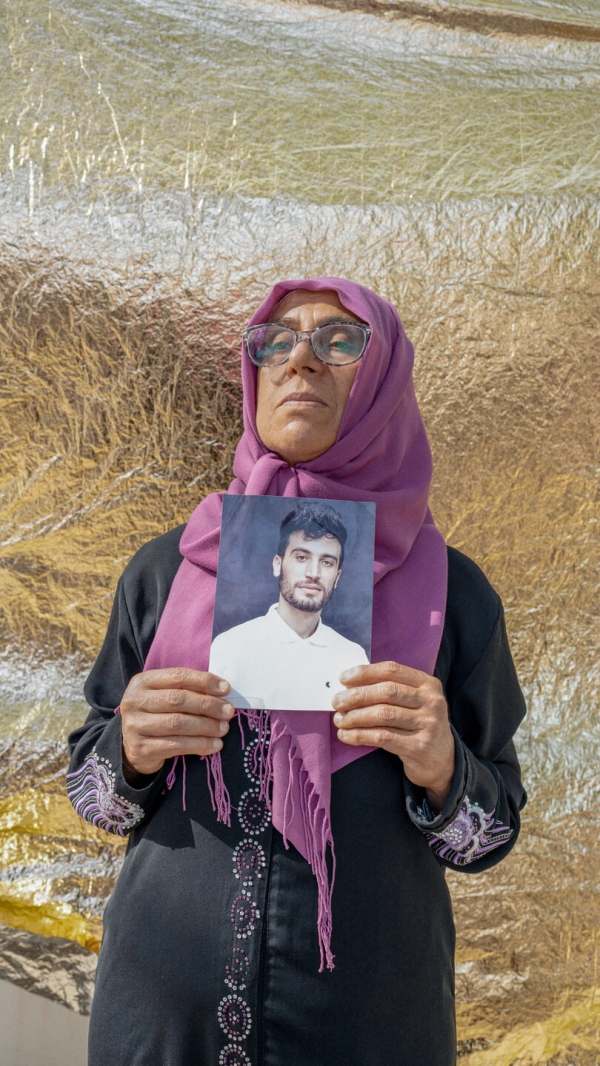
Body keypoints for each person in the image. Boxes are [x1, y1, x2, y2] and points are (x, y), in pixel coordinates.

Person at [67, 277, 526, 1066]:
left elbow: (489, 837)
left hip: (367, 1031)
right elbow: (95, 799)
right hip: (160, 1027)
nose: (300, 361)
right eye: (272, 342)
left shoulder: (452, 596)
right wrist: (130, 751)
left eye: (340, 341)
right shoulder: (167, 570)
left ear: (384, 383)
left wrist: (444, 766)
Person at [209, 501, 370, 710]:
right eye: (302, 557)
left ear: (337, 577)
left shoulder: (353, 657)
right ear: (278, 564)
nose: (313, 573)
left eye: (327, 562)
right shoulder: (229, 647)